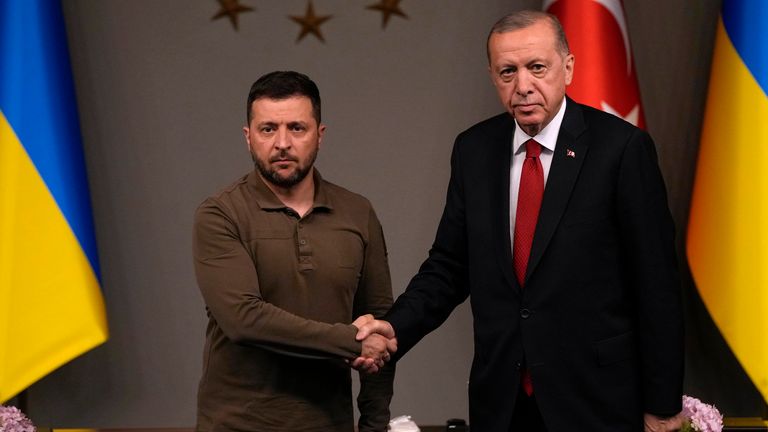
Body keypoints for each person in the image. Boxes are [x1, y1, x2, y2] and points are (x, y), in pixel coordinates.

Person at [355, 10, 684, 432]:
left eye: (537, 68)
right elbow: (449, 267)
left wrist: (662, 404)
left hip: (596, 401)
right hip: (503, 403)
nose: (523, 85)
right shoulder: (474, 150)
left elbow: (655, 285)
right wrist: (393, 328)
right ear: (492, 76)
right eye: (507, 71)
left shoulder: (621, 150)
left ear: (568, 67)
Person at [193, 70, 395, 432]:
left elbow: (379, 323)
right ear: (248, 137)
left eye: (297, 129)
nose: (282, 143)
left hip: (329, 423)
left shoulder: (357, 212)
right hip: (236, 424)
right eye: (268, 129)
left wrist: (375, 425)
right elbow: (244, 319)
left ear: (320, 135)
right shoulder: (220, 213)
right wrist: (350, 341)